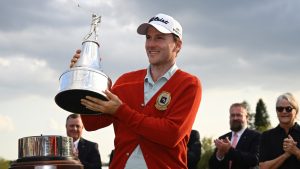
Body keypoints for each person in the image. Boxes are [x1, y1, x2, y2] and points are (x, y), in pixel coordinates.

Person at [70, 13, 202, 168]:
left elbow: (171, 134)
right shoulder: (126, 81)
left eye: (159, 38)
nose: (151, 44)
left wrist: (121, 110)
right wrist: (84, 79)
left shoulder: (189, 84)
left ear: (177, 45)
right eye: (148, 37)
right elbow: (93, 123)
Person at [209, 102, 261, 169]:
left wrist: (229, 150)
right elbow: (212, 165)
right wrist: (219, 155)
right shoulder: (223, 138)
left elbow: (255, 160)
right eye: (232, 115)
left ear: (247, 117)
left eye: (239, 115)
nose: (235, 118)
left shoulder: (256, 136)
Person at [259, 92, 300, 169]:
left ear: (296, 111)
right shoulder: (266, 136)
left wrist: (296, 151)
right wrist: (286, 155)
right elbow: (263, 167)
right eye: (280, 109)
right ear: (276, 111)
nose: (284, 112)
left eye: (288, 109)